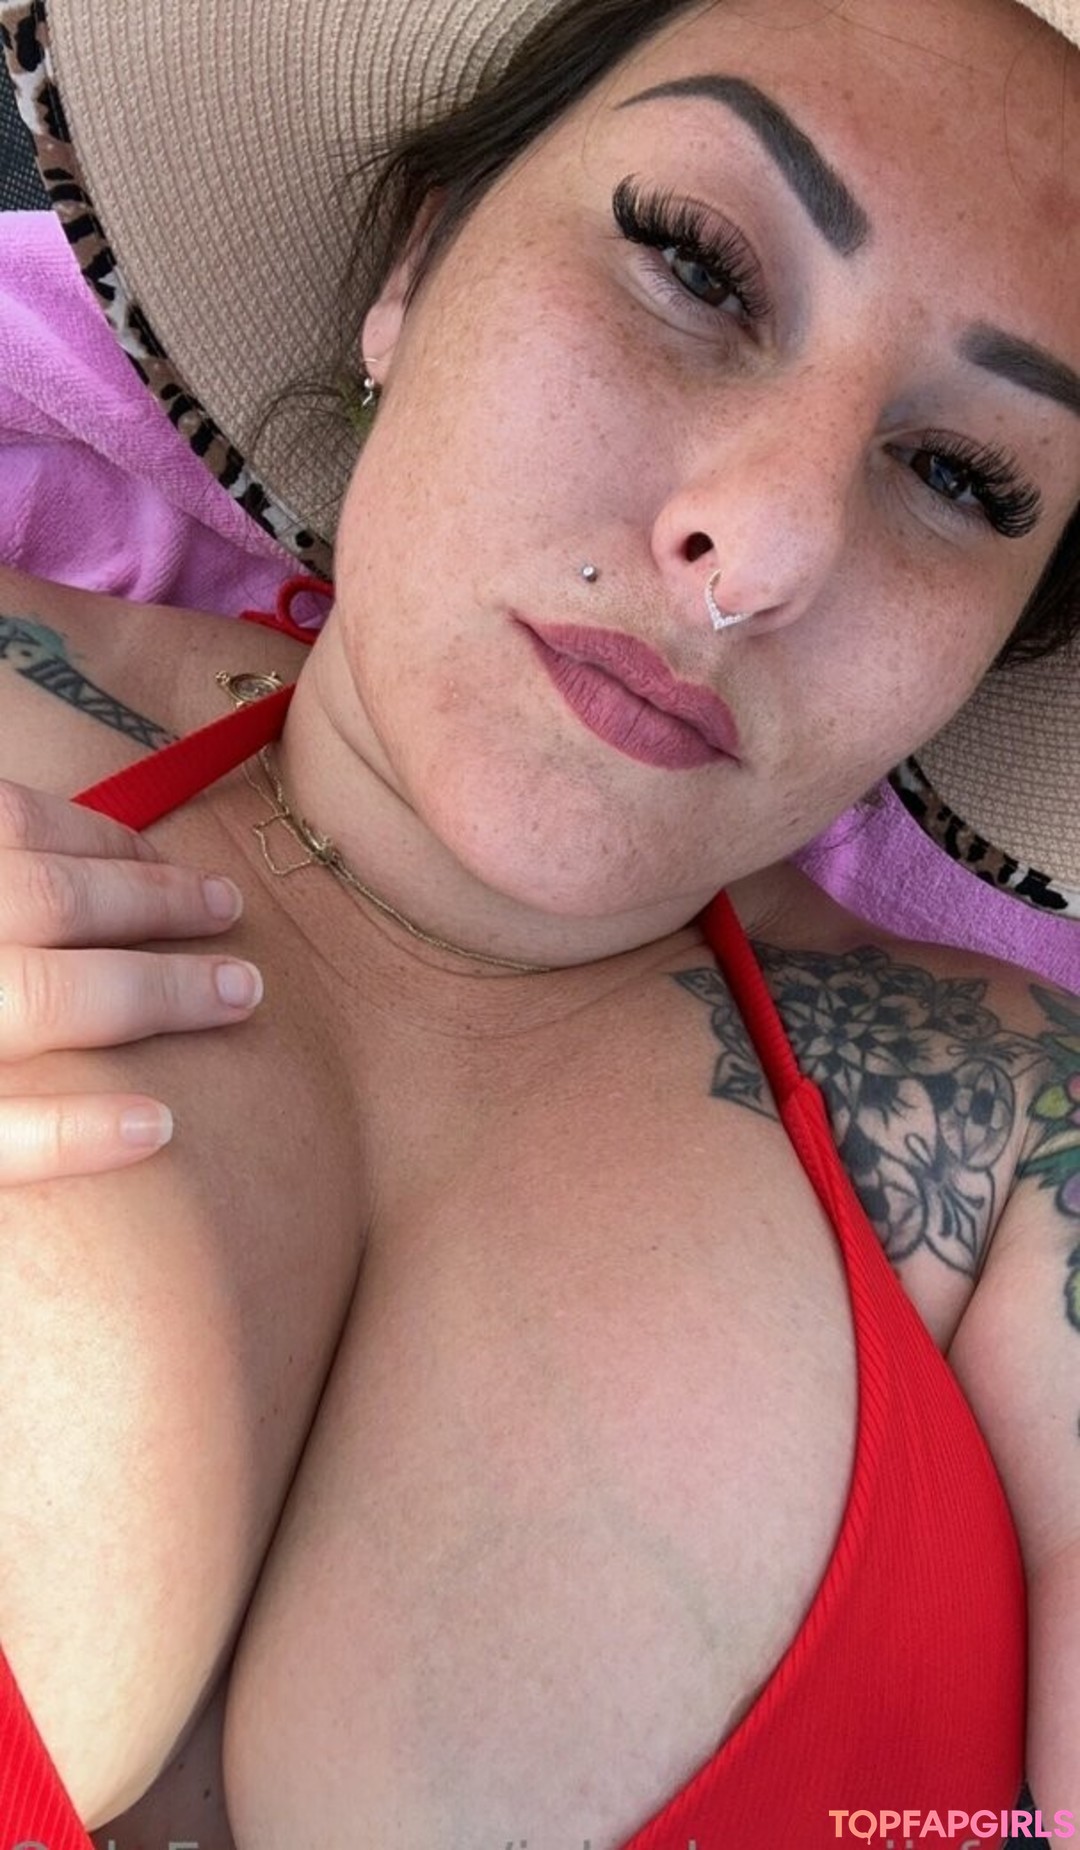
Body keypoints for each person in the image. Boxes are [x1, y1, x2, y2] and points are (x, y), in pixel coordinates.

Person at [0, 0, 1078, 1844]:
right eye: (698, 266)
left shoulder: (1011, 1137)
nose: (760, 550)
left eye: (964, 476)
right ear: (414, 266)